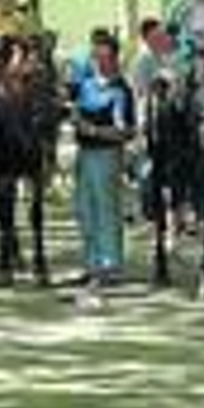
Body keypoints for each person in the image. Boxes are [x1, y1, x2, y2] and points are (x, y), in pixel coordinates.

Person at [71, 32, 135, 286]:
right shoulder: (86, 85)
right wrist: (76, 119)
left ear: (114, 59)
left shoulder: (120, 89)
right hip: (84, 153)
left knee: (106, 209)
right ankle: (92, 264)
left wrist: (96, 131)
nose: (100, 63)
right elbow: (77, 112)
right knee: (84, 209)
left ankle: (111, 265)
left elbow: (126, 130)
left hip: (106, 154)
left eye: (105, 57)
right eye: (96, 57)